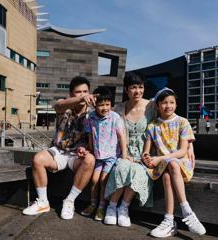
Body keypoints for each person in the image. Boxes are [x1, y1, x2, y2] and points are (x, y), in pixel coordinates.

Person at [22, 76, 96, 220]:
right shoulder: (63, 107)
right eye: (78, 92)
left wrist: (86, 149)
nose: (83, 95)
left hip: (77, 156)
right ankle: (43, 202)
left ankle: (69, 201)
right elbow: (59, 105)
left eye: (85, 91)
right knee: (38, 159)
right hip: (60, 151)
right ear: (71, 94)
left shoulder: (93, 113)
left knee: (90, 159)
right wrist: (81, 99)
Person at [142, 88, 206, 238]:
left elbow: (183, 151)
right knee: (166, 177)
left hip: (181, 163)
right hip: (164, 167)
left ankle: (186, 210)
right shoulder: (152, 125)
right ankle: (170, 221)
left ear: (176, 104)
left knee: (173, 164)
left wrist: (158, 159)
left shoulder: (182, 122)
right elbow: (146, 150)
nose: (168, 106)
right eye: (164, 103)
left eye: (172, 102)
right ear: (157, 105)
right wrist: (146, 157)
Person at [103, 72, 157, 227]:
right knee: (122, 167)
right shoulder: (119, 108)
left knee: (139, 171)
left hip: (145, 154)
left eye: (140, 87)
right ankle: (112, 207)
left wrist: (188, 146)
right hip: (124, 152)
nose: (138, 91)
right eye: (133, 87)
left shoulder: (152, 106)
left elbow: (167, 122)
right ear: (126, 90)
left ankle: (123, 208)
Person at [80, 87, 127, 221]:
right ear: (95, 104)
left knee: (103, 180)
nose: (105, 107)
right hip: (98, 155)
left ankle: (101, 206)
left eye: (107, 104)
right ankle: (93, 204)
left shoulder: (115, 117)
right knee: (94, 180)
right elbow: (90, 134)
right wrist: (89, 148)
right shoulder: (91, 117)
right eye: (101, 104)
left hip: (111, 155)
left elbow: (122, 136)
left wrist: (124, 155)